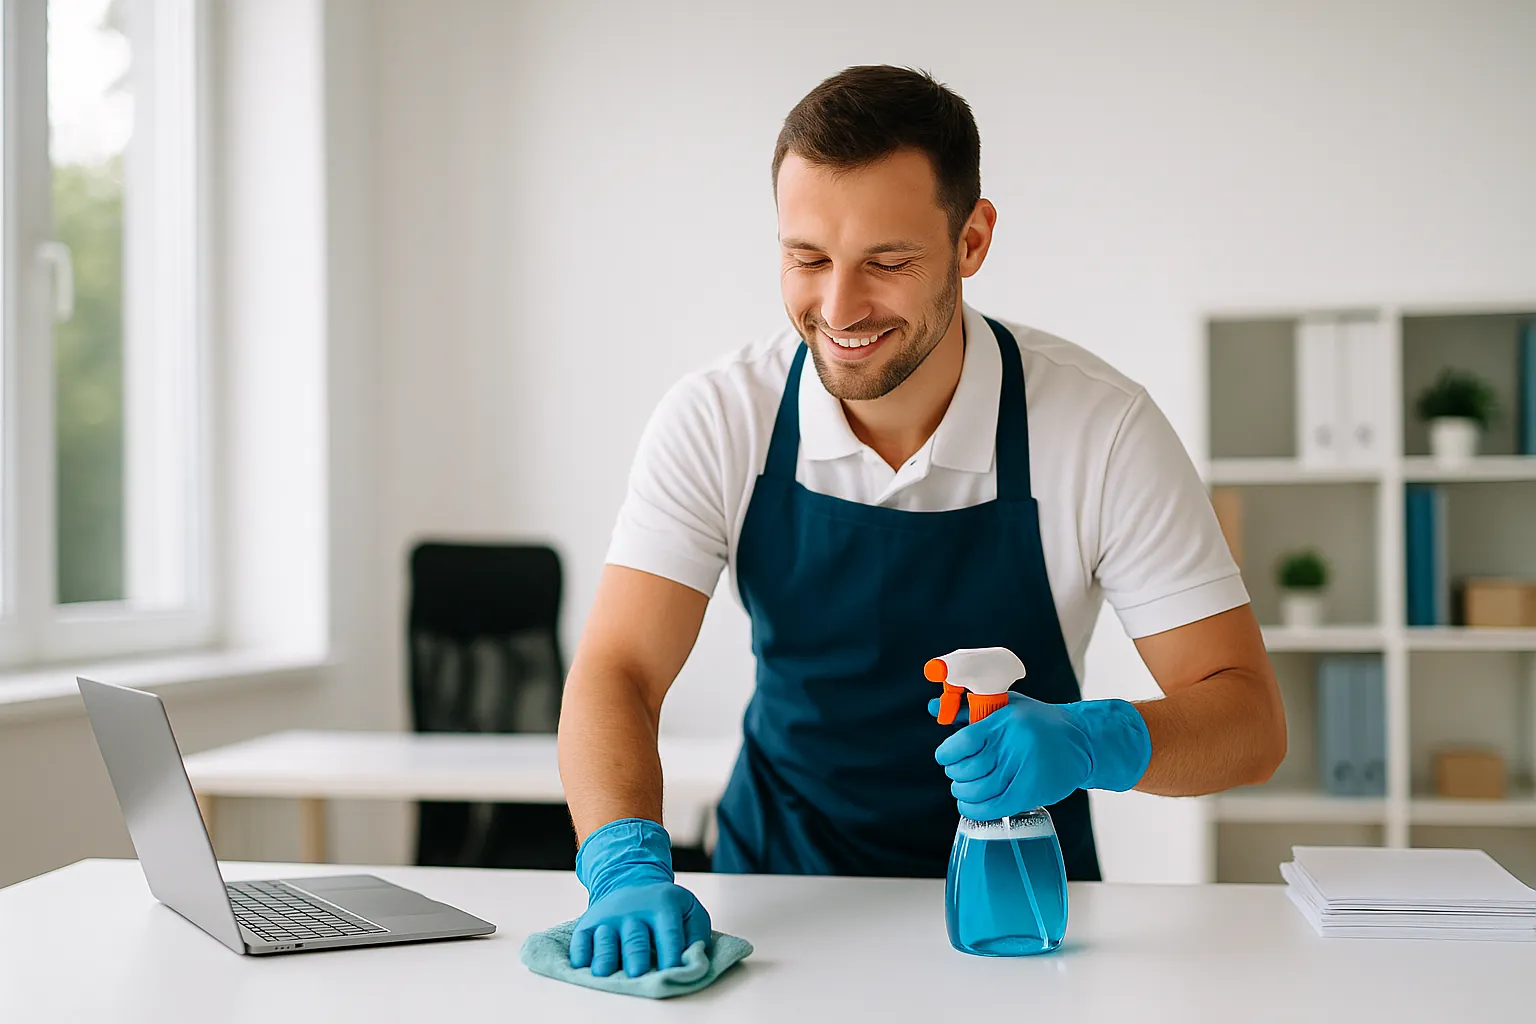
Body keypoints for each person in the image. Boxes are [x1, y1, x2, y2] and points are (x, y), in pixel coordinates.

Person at [556, 64, 1286, 978]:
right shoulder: (718, 416)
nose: (838, 308)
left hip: (1018, 917)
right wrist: (622, 863)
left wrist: (1097, 738)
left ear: (972, 238)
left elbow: (1249, 721)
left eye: (888, 263)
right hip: (782, 907)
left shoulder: (1100, 428)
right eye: (807, 259)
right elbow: (619, 671)